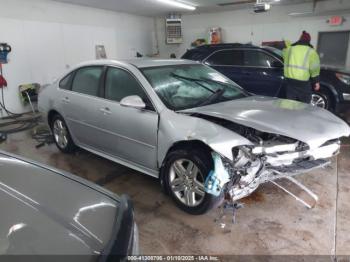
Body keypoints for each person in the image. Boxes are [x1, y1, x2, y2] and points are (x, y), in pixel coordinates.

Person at [283, 31, 321, 104]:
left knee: (290, 102)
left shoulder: (290, 49)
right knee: (305, 103)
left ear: (300, 39)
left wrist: (287, 45)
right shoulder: (311, 51)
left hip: (290, 80)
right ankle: (302, 114)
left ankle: (290, 113)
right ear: (309, 40)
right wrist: (316, 82)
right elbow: (314, 68)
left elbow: (284, 55)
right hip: (303, 82)